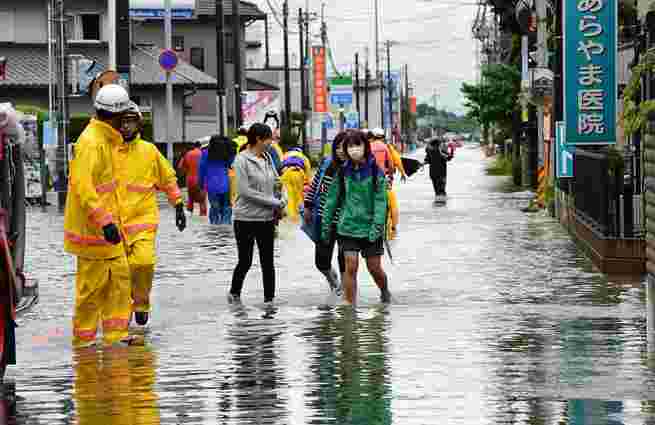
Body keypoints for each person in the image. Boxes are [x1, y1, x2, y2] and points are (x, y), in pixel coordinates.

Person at [64, 84, 135, 347]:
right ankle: (83, 341)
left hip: (107, 231)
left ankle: (116, 336)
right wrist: (105, 222)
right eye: (124, 116)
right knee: (92, 288)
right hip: (93, 233)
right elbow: (84, 188)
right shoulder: (92, 143)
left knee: (119, 281)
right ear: (116, 116)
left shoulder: (106, 140)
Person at [117, 102, 186, 326]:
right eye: (122, 122)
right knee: (119, 272)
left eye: (130, 121)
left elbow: (167, 179)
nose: (126, 126)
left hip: (143, 221)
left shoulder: (149, 151)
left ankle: (141, 303)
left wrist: (178, 204)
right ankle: (121, 311)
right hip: (113, 223)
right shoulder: (106, 150)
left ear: (138, 124)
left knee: (144, 263)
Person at [321, 130, 391, 305]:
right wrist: (325, 225)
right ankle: (349, 306)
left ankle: (384, 292)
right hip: (348, 227)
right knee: (350, 267)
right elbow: (331, 200)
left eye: (357, 145)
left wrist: (377, 226)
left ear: (365, 147)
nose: (354, 149)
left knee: (374, 269)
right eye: (350, 146)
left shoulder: (375, 172)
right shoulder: (342, 172)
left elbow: (381, 202)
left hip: (371, 228)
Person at [229, 123, 286, 305]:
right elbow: (245, 191)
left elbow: (277, 181)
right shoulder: (241, 160)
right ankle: (234, 295)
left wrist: (283, 198)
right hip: (245, 219)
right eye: (269, 139)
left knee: (268, 262)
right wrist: (274, 202)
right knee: (245, 261)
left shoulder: (267, 158)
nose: (271, 142)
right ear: (258, 139)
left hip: (266, 219)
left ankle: (269, 302)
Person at [304, 132, 347, 295]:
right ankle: (332, 279)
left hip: (345, 220)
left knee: (345, 258)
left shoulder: (354, 167)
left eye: (344, 147)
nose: (340, 151)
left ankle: (345, 290)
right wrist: (308, 205)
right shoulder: (327, 163)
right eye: (338, 147)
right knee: (321, 261)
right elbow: (315, 184)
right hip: (323, 218)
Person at [370, 128, 405, 240]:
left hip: (368, 181)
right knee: (391, 203)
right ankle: (392, 228)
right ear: (383, 137)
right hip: (382, 180)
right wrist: (391, 176)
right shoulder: (385, 147)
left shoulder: (367, 147)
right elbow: (391, 164)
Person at [199, 135, 237, 225]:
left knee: (214, 208)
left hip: (211, 186)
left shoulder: (205, 153)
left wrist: (201, 184)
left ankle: (215, 227)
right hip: (225, 185)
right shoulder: (227, 153)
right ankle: (225, 227)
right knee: (226, 207)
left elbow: (201, 169)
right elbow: (231, 164)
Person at [280, 146, 311, 221]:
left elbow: (280, 165)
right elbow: (308, 170)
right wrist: (307, 182)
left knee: (290, 195)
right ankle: (298, 213)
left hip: (286, 173)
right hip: (298, 173)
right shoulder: (303, 157)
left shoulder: (286, 154)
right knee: (299, 194)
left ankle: (291, 215)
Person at [177, 141, 207, 216]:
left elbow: (180, 167)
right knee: (202, 200)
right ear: (200, 146)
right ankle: (202, 216)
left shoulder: (188, 154)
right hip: (201, 180)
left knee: (190, 199)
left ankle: (189, 214)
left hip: (190, 180)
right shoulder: (203, 154)